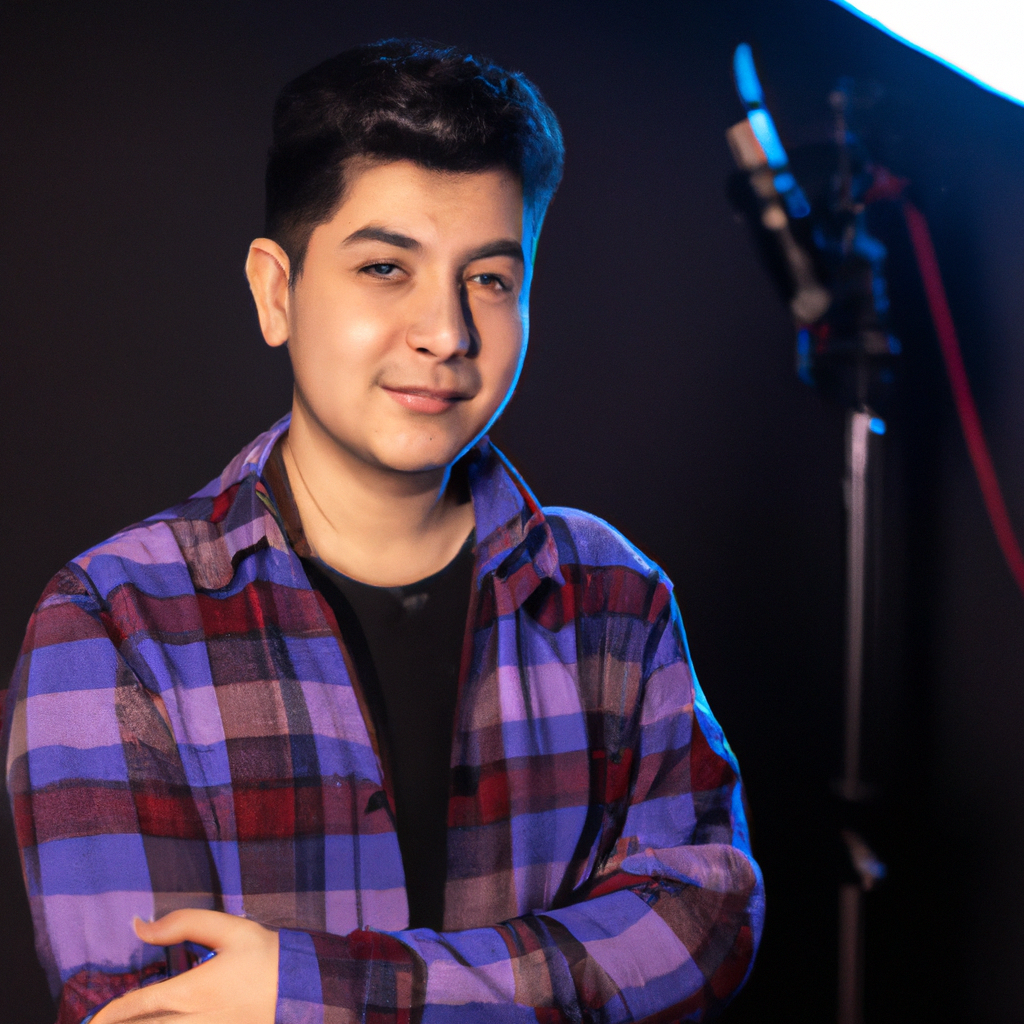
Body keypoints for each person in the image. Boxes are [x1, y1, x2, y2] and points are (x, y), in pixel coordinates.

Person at [2, 39, 764, 1024]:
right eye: (383, 267)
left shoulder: (615, 597)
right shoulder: (112, 622)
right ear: (277, 291)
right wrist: (553, 979)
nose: (445, 332)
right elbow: (145, 1013)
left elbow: (705, 922)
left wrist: (302, 990)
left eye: (488, 278)